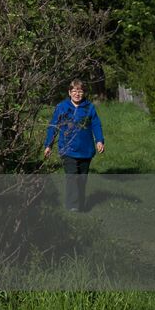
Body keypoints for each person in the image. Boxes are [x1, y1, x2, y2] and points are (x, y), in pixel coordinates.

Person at [43, 79, 104, 211]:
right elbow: (53, 127)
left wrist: (99, 140)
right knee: (72, 177)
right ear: (69, 92)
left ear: (84, 93)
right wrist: (48, 145)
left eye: (80, 91)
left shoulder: (89, 107)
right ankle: (72, 207)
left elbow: (96, 124)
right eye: (75, 91)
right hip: (67, 149)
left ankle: (80, 205)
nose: (77, 94)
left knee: (81, 180)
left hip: (85, 150)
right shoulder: (62, 107)